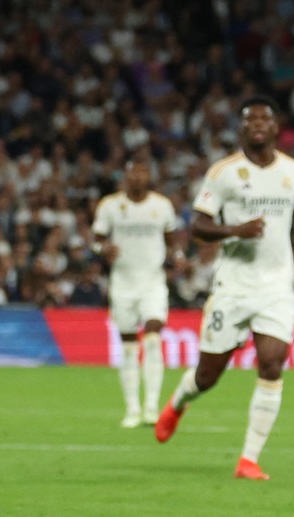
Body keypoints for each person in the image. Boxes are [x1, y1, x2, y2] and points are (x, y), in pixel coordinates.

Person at [155, 97, 294, 481]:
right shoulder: (224, 173)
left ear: (276, 126)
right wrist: (235, 230)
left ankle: (248, 459)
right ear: (242, 128)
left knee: (271, 362)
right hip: (232, 286)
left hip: (278, 286)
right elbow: (198, 226)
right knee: (208, 375)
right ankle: (178, 403)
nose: (259, 124)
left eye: (265, 118)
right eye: (251, 119)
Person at [92, 158, 178, 428]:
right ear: (125, 177)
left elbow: (171, 239)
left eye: (143, 172)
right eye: (133, 173)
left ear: (148, 176)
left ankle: (152, 406)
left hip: (152, 282)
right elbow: (97, 241)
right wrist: (103, 250)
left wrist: (178, 257)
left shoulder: (162, 206)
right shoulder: (110, 206)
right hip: (123, 284)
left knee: (152, 339)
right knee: (129, 347)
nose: (138, 178)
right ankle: (132, 408)